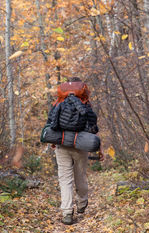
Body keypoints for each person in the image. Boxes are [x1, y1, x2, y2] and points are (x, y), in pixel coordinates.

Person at [46, 77, 103, 225]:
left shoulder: (58, 103)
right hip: (80, 146)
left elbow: (51, 124)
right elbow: (93, 127)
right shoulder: (86, 104)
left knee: (65, 180)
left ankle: (67, 213)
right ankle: (82, 204)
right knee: (80, 176)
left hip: (62, 146)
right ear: (82, 89)